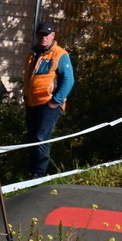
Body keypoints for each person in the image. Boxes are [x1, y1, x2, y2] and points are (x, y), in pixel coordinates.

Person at [23, 19, 74, 179]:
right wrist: (25, 95)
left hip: (49, 104)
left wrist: (55, 101)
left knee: (41, 137)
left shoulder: (60, 54)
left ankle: (39, 173)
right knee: (32, 138)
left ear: (53, 36)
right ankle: (32, 171)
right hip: (32, 103)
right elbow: (28, 78)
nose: (43, 38)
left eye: (46, 35)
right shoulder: (32, 55)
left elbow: (68, 80)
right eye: (40, 35)